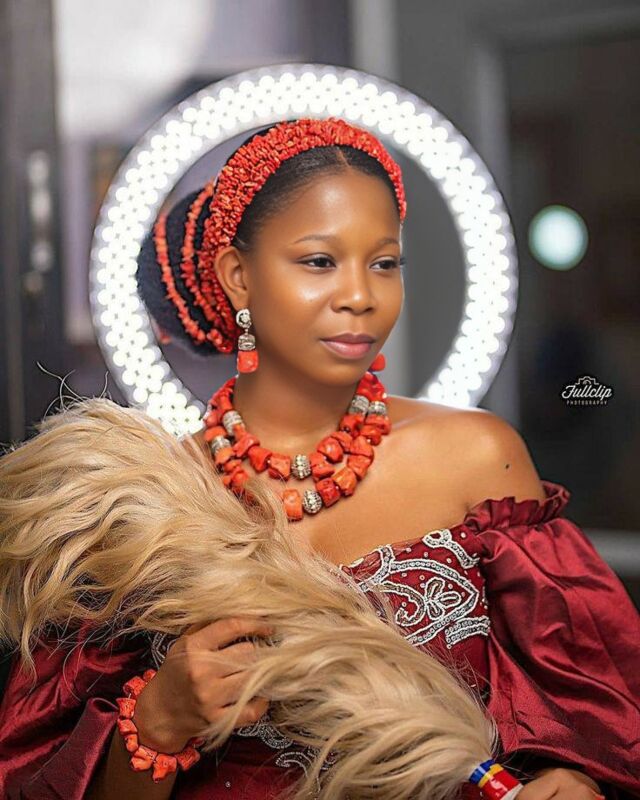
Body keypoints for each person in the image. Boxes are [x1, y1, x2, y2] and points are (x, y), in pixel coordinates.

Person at [0, 116, 638, 799]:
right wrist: (159, 721)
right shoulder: (144, 514)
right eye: (319, 262)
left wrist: (570, 776)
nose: (361, 296)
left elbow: (596, 711)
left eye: (384, 263)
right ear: (238, 277)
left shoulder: (476, 458)